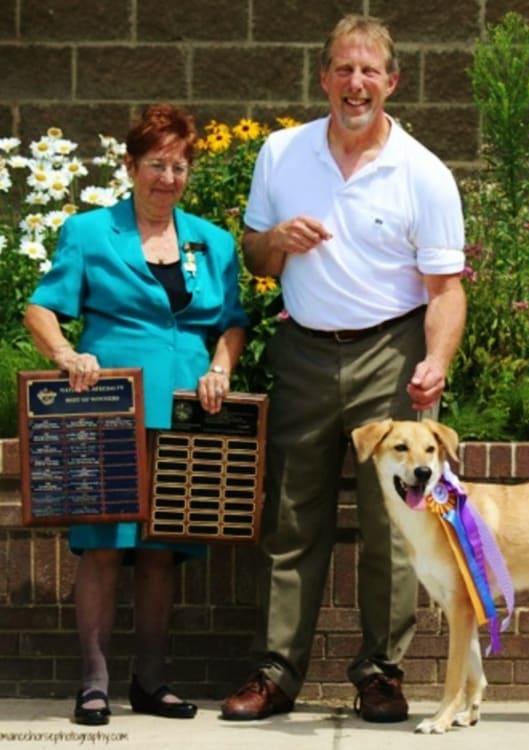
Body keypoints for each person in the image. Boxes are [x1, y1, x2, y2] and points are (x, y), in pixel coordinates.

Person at [220, 14, 466, 723]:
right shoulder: (281, 153)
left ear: (391, 82)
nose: (355, 83)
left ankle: (381, 674)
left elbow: (446, 290)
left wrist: (436, 359)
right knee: (292, 516)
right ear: (324, 76)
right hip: (300, 349)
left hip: (388, 353)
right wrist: (275, 239)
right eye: (342, 69)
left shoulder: (423, 172)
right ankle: (275, 674)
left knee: (394, 525)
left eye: (369, 72)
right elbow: (257, 260)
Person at [23, 103, 249, 726]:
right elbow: (42, 309)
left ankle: (151, 682)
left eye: (179, 166)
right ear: (130, 165)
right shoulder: (90, 233)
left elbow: (232, 323)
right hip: (108, 412)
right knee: (101, 548)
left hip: (186, 414)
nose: (168, 178)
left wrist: (222, 367)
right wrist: (68, 355)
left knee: (160, 552)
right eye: (156, 164)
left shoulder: (215, 241)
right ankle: (92, 686)